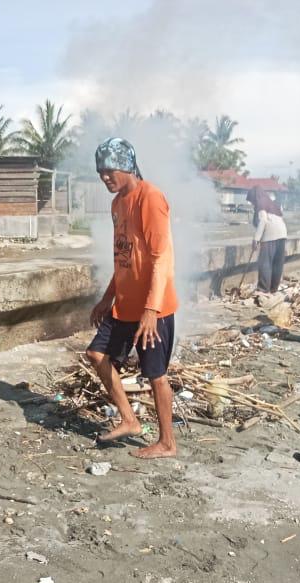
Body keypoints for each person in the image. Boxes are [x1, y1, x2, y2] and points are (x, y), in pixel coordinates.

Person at [85, 138, 179, 460]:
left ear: (125, 166)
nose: (104, 178)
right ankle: (130, 419)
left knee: (156, 375)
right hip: (124, 305)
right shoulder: (116, 205)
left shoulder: (150, 198)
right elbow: (123, 259)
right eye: (100, 172)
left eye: (109, 171)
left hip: (154, 308)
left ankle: (167, 442)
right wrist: (106, 298)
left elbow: (160, 258)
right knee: (97, 354)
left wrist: (151, 310)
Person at [246, 186, 288, 293]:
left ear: (255, 197)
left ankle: (263, 289)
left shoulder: (261, 203)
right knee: (277, 263)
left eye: (251, 201)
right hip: (282, 233)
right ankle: (273, 288)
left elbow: (263, 221)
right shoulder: (272, 202)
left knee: (265, 263)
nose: (252, 203)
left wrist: (256, 239)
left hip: (270, 234)